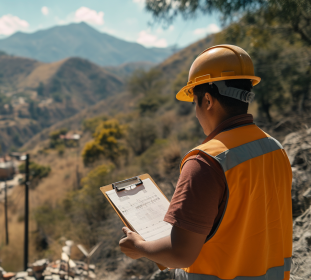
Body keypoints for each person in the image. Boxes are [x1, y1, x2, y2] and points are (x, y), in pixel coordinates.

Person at [119, 45, 293, 280]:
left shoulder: (205, 161)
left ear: (208, 100)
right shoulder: (274, 147)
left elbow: (180, 254)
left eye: (195, 103)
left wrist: (138, 246)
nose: (196, 112)